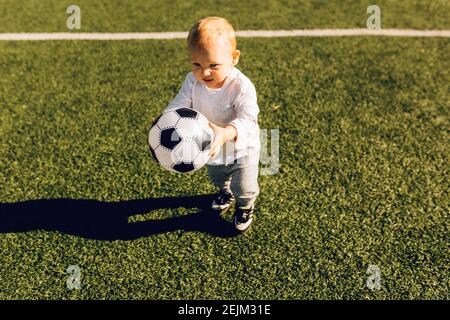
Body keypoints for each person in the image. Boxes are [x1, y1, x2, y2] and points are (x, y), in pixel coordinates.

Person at [165, 16, 261, 232]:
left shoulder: (241, 87)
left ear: (234, 58)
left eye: (213, 65)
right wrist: (167, 118)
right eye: (196, 64)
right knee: (218, 177)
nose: (204, 72)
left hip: (242, 149)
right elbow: (180, 103)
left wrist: (226, 133)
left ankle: (245, 206)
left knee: (244, 187)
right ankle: (224, 193)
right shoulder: (192, 81)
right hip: (210, 146)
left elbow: (248, 118)